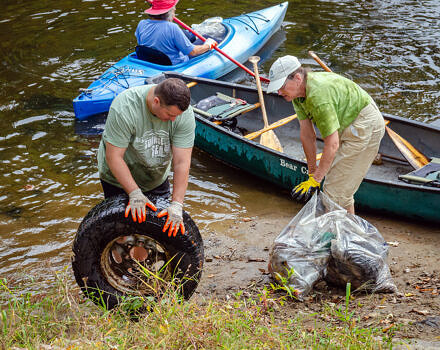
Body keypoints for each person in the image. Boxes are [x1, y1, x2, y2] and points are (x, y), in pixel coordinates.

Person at [266, 55, 385, 214]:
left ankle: (338, 236)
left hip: (364, 124)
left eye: (281, 86)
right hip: (348, 123)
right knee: (339, 188)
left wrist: (317, 180)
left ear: (298, 78)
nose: (279, 92)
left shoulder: (318, 96)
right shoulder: (298, 96)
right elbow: (307, 135)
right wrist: (312, 172)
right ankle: (347, 233)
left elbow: (332, 144)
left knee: (334, 192)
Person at [97, 78, 195, 236]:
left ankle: (138, 259)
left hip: (155, 177)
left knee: (147, 231)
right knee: (121, 231)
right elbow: (114, 156)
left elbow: (182, 162)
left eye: (177, 115)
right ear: (156, 101)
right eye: (170, 114)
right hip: (117, 178)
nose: (174, 120)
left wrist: (177, 204)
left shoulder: (183, 114)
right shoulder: (125, 107)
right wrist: (134, 193)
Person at [135, 0, 217, 65]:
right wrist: (208, 45)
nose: (175, 9)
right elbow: (193, 52)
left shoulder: (141, 23)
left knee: (186, 35)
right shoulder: (172, 28)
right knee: (208, 38)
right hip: (173, 64)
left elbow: (141, 43)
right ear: (168, 12)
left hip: (151, 60)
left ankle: (193, 37)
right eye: (173, 8)